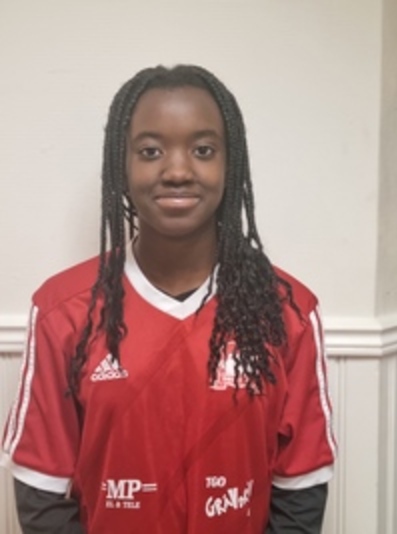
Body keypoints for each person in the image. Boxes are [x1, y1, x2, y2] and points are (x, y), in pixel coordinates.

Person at [1, 65, 336, 534]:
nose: (177, 171)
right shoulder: (64, 311)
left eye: (203, 150)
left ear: (231, 165)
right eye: (150, 151)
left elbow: (300, 492)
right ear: (121, 168)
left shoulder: (288, 312)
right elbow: (42, 497)